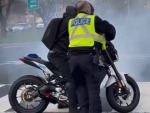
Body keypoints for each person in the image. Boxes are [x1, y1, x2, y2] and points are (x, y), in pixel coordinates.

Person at [68, 1, 116, 113]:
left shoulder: (71, 22)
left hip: (73, 60)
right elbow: (110, 32)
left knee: (81, 92)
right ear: (88, 9)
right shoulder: (93, 19)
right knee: (93, 92)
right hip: (88, 58)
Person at [46, 6, 77, 108]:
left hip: (57, 54)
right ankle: (72, 107)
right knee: (71, 79)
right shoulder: (70, 22)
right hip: (58, 55)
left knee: (72, 74)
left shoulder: (65, 20)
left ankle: (63, 101)